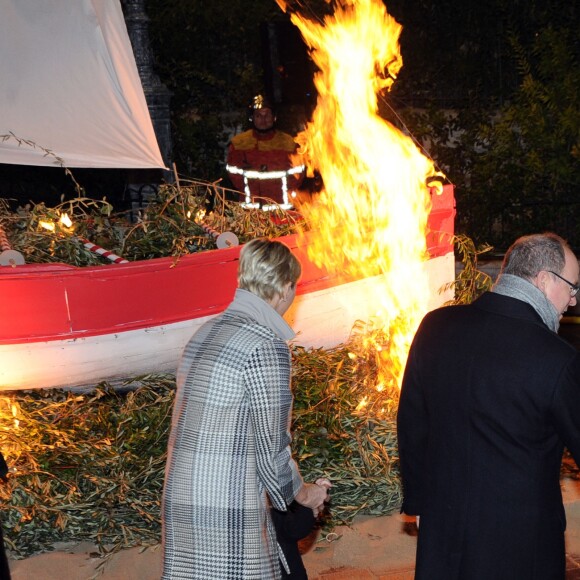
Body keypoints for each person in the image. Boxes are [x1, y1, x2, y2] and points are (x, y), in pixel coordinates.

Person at [397, 232, 580, 580]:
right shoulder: (556, 358)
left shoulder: (434, 327)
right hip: (522, 546)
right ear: (543, 280)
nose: (572, 301)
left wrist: (419, 504)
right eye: (572, 287)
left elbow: (411, 423)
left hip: (443, 533)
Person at [161, 237, 329, 580]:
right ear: (284, 288)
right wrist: (307, 494)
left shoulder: (205, 333)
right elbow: (271, 449)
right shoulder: (266, 346)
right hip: (227, 508)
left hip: (182, 500)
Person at [226, 94, 305, 209]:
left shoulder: (289, 143)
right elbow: (233, 173)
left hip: (282, 209)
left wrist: (280, 189)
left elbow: (298, 173)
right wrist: (251, 188)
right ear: (252, 118)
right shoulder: (239, 143)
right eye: (258, 115)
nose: (263, 119)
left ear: (274, 117)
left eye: (267, 115)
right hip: (251, 211)